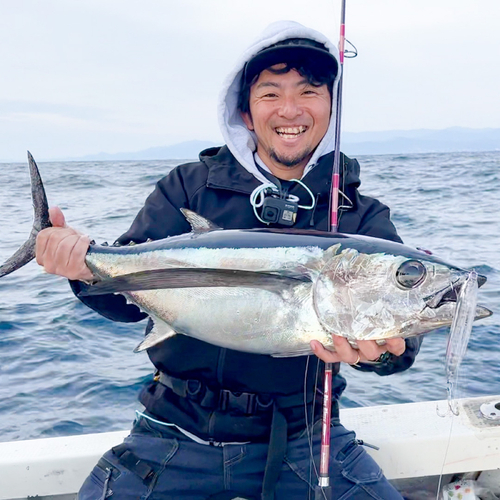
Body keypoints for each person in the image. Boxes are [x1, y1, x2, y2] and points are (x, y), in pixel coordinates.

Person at [36, 21, 421, 500]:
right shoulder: (189, 187)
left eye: (309, 90)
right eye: (270, 93)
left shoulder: (359, 215)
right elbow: (126, 303)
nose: (290, 109)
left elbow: (401, 336)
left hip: (306, 434)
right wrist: (81, 268)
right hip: (173, 427)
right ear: (244, 111)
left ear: (330, 107)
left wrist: (383, 354)